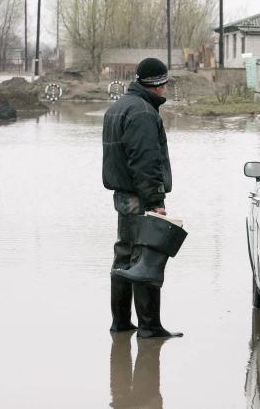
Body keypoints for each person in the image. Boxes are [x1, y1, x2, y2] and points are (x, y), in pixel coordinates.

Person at [103, 57, 182, 338]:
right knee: (145, 257)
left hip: (123, 196)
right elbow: (145, 162)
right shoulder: (144, 113)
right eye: (164, 84)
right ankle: (150, 327)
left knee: (124, 255)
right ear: (158, 84)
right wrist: (155, 203)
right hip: (140, 197)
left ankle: (121, 323)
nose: (165, 89)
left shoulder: (119, 107)